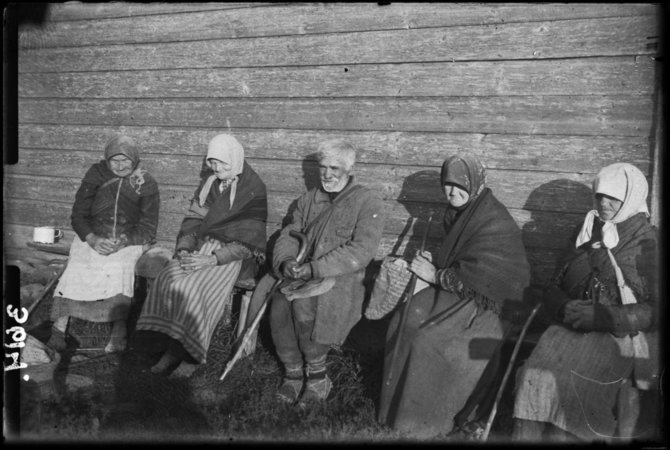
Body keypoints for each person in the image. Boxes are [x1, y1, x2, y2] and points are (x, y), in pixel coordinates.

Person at [378, 155, 531, 439]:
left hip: (491, 306)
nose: (452, 192)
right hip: (462, 290)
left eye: (460, 185)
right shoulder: (460, 212)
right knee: (406, 318)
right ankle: (396, 410)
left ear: (475, 185)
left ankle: (431, 420)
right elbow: (465, 259)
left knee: (430, 341)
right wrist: (435, 261)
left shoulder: (492, 219)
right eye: (448, 185)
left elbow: (488, 275)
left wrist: (435, 274)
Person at [512, 163, 659, 442]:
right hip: (570, 325)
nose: (604, 202)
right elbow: (554, 285)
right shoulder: (587, 229)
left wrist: (602, 317)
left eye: (613, 197)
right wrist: (563, 307)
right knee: (532, 376)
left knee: (571, 385)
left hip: (616, 335)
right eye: (600, 195)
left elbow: (655, 310)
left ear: (631, 197)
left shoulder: (648, 241)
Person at [134, 134, 267, 377]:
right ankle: (172, 348)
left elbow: (249, 242)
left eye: (223, 163)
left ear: (236, 159)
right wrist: (184, 250)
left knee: (192, 289)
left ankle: (191, 356)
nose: (217, 168)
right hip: (201, 248)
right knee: (168, 279)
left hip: (233, 256)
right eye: (213, 162)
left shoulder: (252, 188)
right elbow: (193, 220)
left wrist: (212, 258)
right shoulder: (210, 183)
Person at [268, 139, 385, 407]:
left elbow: (361, 250)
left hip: (343, 275)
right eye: (323, 167)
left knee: (305, 304)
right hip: (305, 270)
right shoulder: (308, 200)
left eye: (335, 168)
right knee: (278, 302)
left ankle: (318, 378)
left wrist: (316, 268)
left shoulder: (367, 202)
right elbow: (290, 233)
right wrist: (286, 260)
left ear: (350, 168)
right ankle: (293, 374)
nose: (327, 174)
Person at [49, 134, 160, 353]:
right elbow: (78, 215)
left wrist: (124, 242)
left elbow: (148, 227)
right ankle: (58, 330)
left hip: (126, 239)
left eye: (125, 160)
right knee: (78, 264)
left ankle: (118, 333)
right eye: (114, 160)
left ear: (135, 159)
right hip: (93, 236)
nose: (120, 166)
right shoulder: (96, 175)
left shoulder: (145, 182)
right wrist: (92, 238)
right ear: (106, 159)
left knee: (121, 267)